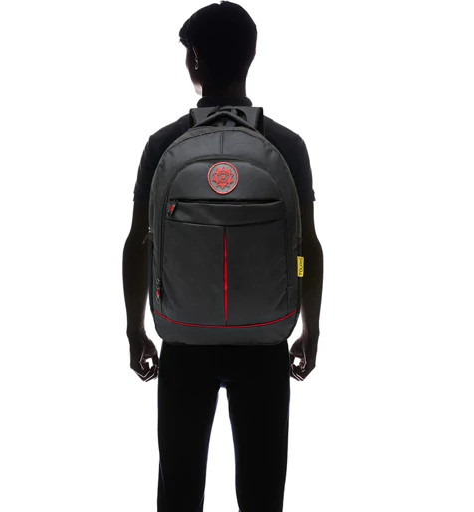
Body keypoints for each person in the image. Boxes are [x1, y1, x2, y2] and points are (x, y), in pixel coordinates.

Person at [122, 2, 324, 511]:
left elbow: (139, 241)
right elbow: (306, 248)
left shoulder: (163, 144)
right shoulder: (287, 145)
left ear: (194, 59)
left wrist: (135, 329)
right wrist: (310, 327)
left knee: (179, 489)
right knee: (262, 494)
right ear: (251, 56)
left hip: (184, 338)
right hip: (266, 340)